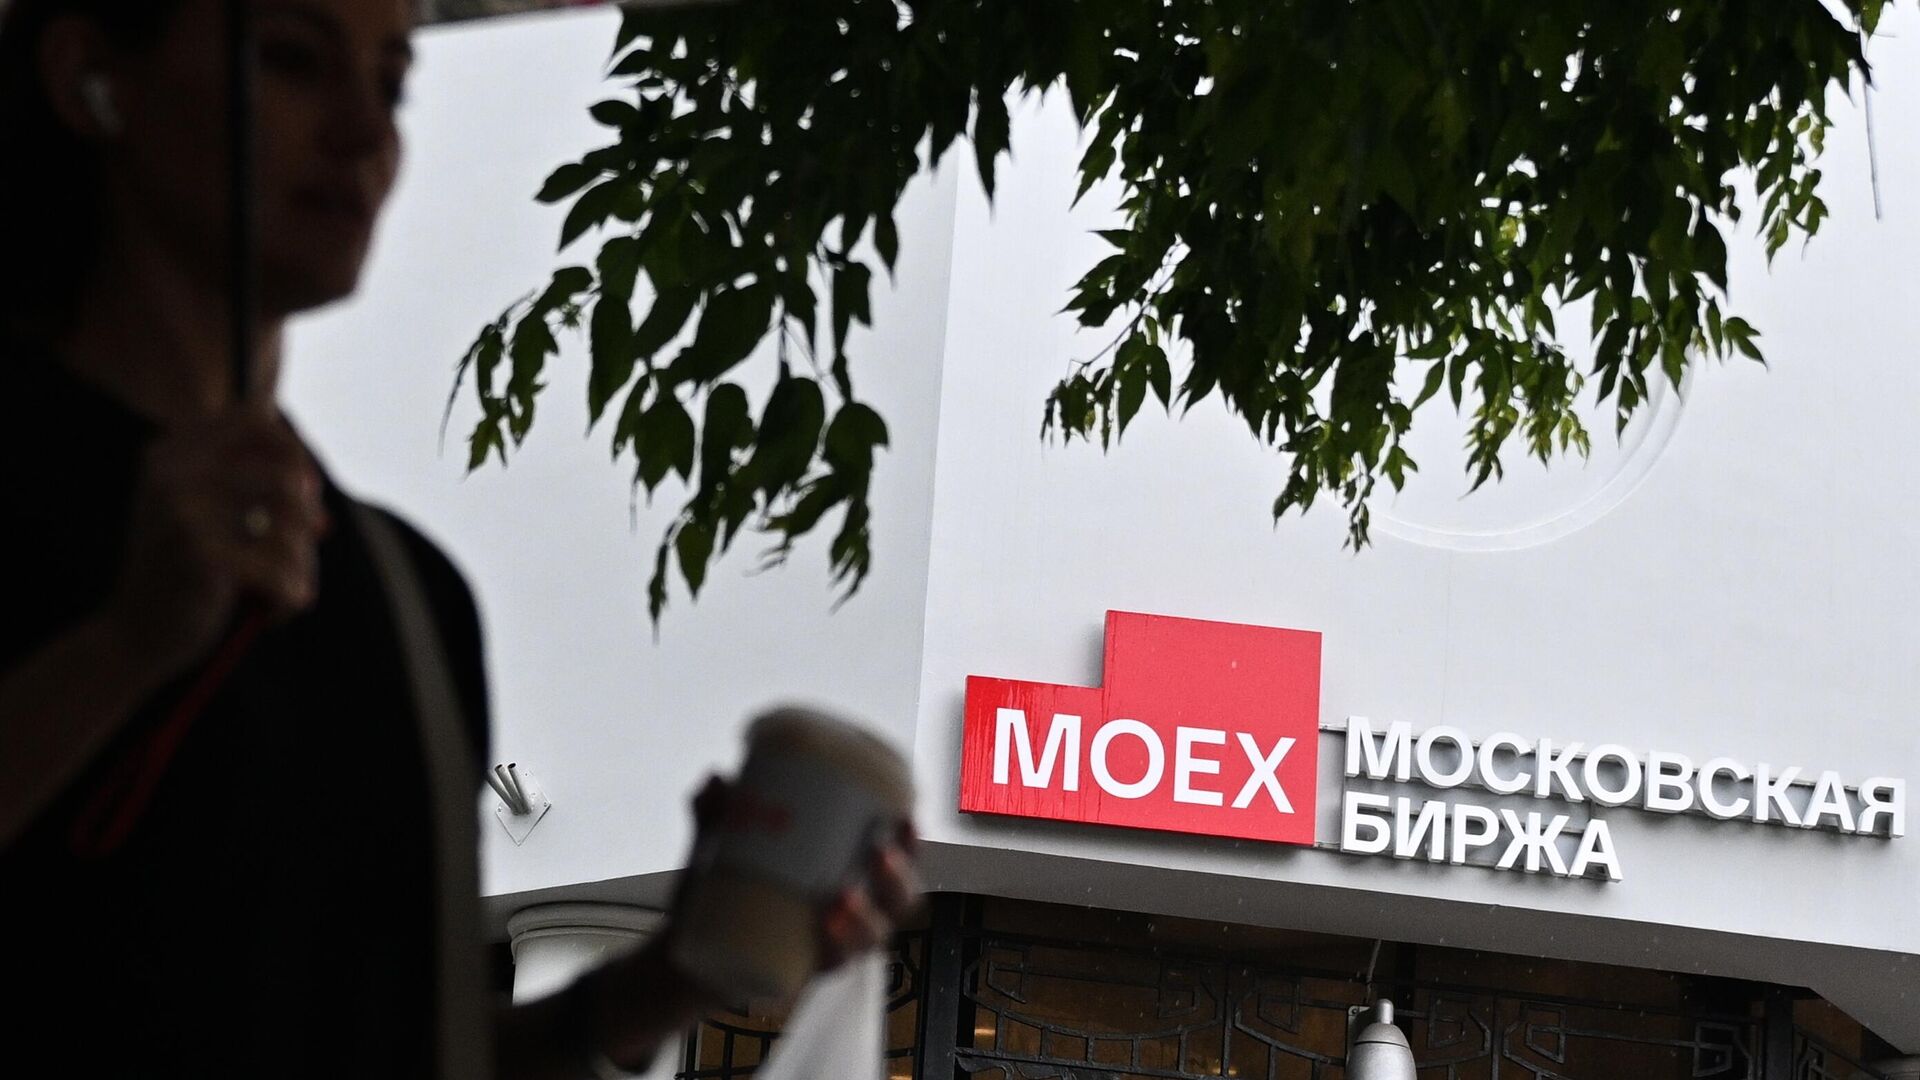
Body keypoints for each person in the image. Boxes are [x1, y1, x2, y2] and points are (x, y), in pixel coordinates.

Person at [0, 1, 922, 1076]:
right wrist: (118, 654)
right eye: (293, 60)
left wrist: (669, 980)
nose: (364, 131)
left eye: (393, 83)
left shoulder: (407, 603)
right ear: (87, 71)